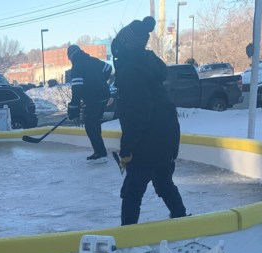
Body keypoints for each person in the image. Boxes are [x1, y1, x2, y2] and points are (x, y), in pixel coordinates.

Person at [111, 17, 188, 226]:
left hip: (148, 139)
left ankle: (127, 235)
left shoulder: (130, 71)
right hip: (167, 133)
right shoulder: (145, 64)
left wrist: (127, 149)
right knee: (163, 182)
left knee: (132, 191)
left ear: (124, 45)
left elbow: (138, 114)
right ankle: (181, 220)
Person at [66, 44, 112, 162]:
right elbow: (108, 68)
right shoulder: (94, 61)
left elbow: (77, 89)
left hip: (93, 99)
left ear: (71, 56)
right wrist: (100, 81)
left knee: (90, 125)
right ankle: (100, 151)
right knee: (95, 123)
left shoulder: (77, 67)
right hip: (103, 97)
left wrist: (73, 107)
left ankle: (100, 152)